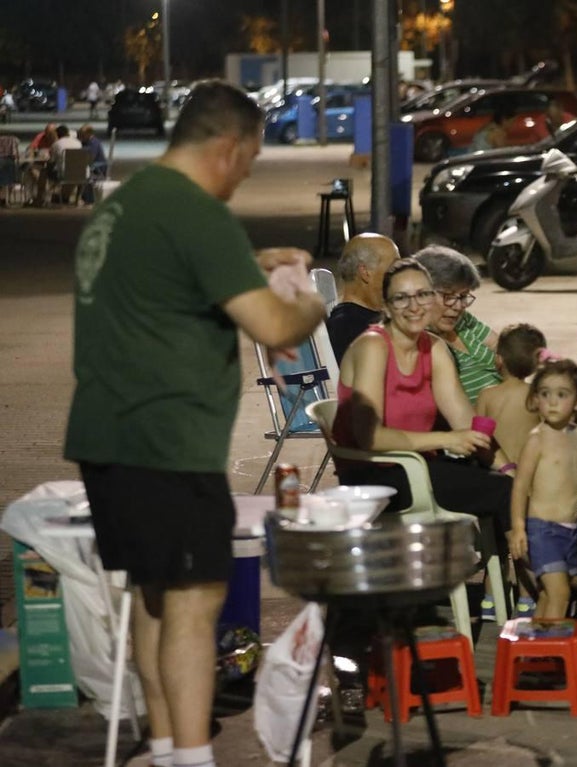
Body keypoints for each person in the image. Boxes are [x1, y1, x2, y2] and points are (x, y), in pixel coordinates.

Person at [64, 80, 326, 767]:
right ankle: (191, 757)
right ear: (228, 145)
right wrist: (310, 304)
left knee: (155, 598)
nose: (244, 177)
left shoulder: (126, 207)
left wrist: (249, 262)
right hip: (167, 443)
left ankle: (163, 747)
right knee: (194, 603)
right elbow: (273, 324)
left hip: (108, 438)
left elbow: (166, 289)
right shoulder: (193, 211)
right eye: (250, 160)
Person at [332, 257, 513, 541]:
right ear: (387, 305)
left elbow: (468, 424)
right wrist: (447, 440)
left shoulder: (435, 348)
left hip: (420, 467)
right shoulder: (373, 347)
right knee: (506, 494)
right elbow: (371, 437)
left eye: (423, 295)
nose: (414, 306)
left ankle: (517, 580)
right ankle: (547, 579)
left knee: (516, 485)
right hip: (373, 476)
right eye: (402, 298)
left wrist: (508, 467)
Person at [507, 358, 577, 619]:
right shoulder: (537, 440)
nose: (553, 402)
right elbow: (520, 486)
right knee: (560, 594)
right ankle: (551, 654)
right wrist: (518, 528)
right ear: (535, 400)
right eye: (545, 394)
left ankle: (535, 644)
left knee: (550, 593)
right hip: (542, 529)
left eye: (561, 395)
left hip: (570, 531)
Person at [414, 245, 501, 402]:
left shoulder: (462, 321)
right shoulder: (420, 342)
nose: (458, 306)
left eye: (463, 296)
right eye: (448, 296)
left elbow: (504, 348)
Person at [476, 323, 548, 466]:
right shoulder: (537, 396)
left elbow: (478, 438)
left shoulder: (486, 396)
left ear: (499, 359)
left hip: (497, 469)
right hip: (528, 470)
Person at [326, 233, 399, 362]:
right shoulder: (350, 329)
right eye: (394, 268)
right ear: (365, 272)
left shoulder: (353, 321)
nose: (400, 276)